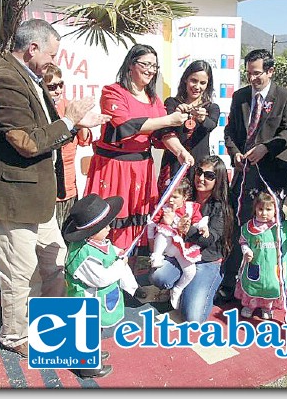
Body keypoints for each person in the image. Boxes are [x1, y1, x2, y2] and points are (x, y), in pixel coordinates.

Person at [0, 18, 110, 357]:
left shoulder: (28, 78)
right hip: (13, 198)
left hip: (38, 197)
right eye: (52, 55)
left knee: (55, 261)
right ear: (32, 49)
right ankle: (16, 336)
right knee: (21, 274)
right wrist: (69, 121)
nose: (55, 62)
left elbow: (44, 132)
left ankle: (49, 326)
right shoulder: (4, 81)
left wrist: (74, 124)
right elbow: (26, 142)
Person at [83, 44, 193, 256]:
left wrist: (180, 151)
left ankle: (130, 276)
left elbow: (163, 132)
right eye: (145, 64)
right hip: (113, 168)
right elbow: (125, 125)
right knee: (109, 222)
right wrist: (168, 119)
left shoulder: (154, 100)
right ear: (130, 65)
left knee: (137, 226)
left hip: (141, 170)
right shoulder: (113, 92)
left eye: (154, 66)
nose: (151, 70)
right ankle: (103, 275)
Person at [217, 49, 287, 304]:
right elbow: (230, 130)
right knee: (239, 225)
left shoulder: (286, 97)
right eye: (249, 73)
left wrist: (266, 148)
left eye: (257, 73)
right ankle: (232, 282)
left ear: (270, 71)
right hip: (244, 173)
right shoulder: (240, 96)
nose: (252, 78)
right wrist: (235, 152)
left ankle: (270, 285)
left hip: (273, 173)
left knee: (270, 228)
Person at [150, 155, 234, 323]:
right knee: (158, 276)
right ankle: (183, 286)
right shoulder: (185, 195)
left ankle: (207, 285)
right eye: (199, 172)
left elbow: (208, 241)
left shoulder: (221, 206)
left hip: (207, 260)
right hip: (182, 253)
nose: (201, 178)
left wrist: (186, 230)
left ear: (218, 180)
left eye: (209, 176)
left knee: (193, 318)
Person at [63, 193, 139, 379]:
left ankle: (92, 353)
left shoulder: (95, 242)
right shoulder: (83, 256)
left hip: (98, 299)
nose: (109, 228)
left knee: (96, 330)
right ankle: (89, 366)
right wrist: (120, 264)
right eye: (104, 226)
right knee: (87, 332)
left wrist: (118, 252)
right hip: (86, 302)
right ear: (90, 232)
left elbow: (108, 248)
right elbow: (102, 278)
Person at [235, 191, 287, 320]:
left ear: (275, 210)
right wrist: (246, 251)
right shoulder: (249, 227)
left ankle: (267, 307)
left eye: (268, 209)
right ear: (255, 209)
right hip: (255, 265)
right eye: (260, 209)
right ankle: (250, 305)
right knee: (253, 286)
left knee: (271, 287)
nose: (264, 213)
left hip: (273, 269)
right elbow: (243, 241)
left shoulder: (281, 228)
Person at [157, 60, 220, 190]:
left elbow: (211, 125)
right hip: (174, 163)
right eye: (194, 81)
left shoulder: (211, 107)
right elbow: (165, 129)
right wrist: (177, 114)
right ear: (185, 79)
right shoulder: (172, 103)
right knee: (170, 202)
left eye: (202, 83)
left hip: (199, 167)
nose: (197, 86)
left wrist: (202, 118)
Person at [146, 178, 209, 309]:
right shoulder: (163, 208)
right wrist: (164, 222)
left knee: (190, 271)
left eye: (175, 197)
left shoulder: (191, 208)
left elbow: (198, 221)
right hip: (166, 245)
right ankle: (156, 257)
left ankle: (178, 289)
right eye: (169, 195)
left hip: (181, 246)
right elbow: (152, 225)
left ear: (185, 197)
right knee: (164, 231)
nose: (171, 200)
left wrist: (202, 227)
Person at [43, 63, 93, 230]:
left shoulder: (69, 105)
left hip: (69, 180)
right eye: (52, 87)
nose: (58, 90)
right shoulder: (40, 108)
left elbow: (85, 141)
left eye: (60, 85)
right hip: (47, 180)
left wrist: (82, 122)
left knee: (68, 229)